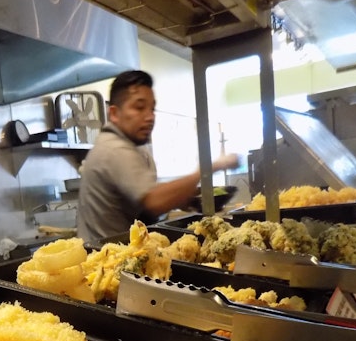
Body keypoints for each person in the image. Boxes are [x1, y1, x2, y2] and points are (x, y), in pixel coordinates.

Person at [77, 70, 240, 243]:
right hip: (107, 260)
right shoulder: (115, 149)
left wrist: (181, 198)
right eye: (139, 107)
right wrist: (210, 168)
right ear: (115, 113)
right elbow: (153, 201)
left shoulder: (115, 144)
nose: (150, 117)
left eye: (152, 108)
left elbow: (144, 198)